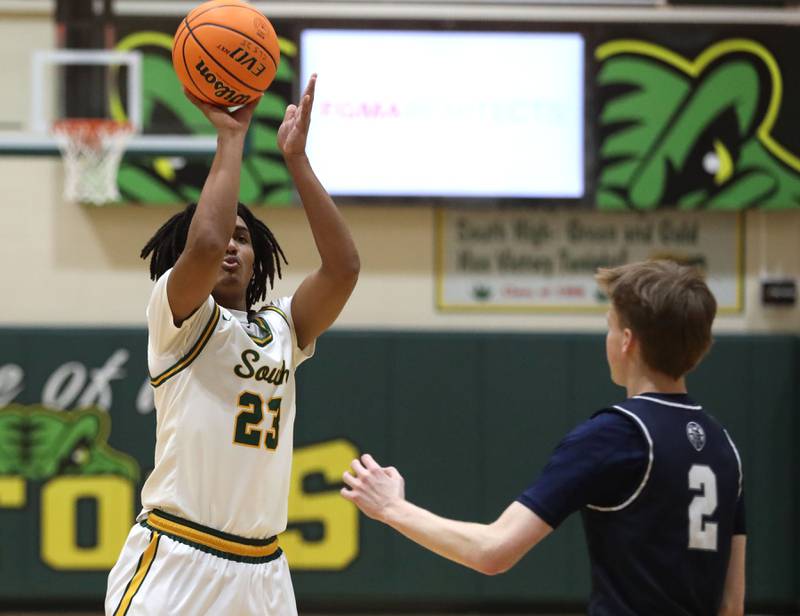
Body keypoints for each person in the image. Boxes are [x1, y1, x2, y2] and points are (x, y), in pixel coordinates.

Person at [342, 260, 745, 616]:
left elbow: (493, 551)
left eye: (609, 326)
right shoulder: (723, 446)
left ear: (626, 341)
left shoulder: (616, 434)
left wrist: (392, 508)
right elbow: (731, 605)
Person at [105, 75, 359, 615]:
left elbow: (343, 269)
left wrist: (297, 161)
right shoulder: (178, 318)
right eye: (226, 235)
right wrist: (231, 139)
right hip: (178, 556)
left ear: (256, 258)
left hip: (262, 570)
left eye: (242, 239)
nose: (229, 245)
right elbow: (202, 241)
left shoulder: (283, 328)